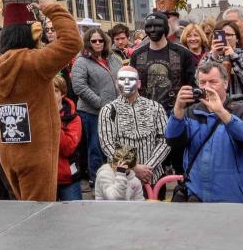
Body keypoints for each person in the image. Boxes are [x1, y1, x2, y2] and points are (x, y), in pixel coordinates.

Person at [0, 0, 83, 201]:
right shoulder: (35, 62)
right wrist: (52, 8)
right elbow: (72, 42)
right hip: (37, 153)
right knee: (38, 219)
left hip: (8, 153)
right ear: (30, 33)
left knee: (23, 212)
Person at [165, 61, 243, 202]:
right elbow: (173, 141)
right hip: (198, 195)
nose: (207, 87)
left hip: (236, 197)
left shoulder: (241, 110)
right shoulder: (191, 112)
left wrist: (221, 112)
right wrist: (178, 110)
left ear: (225, 84)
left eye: (213, 82)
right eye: (202, 82)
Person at [97, 66, 170, 188]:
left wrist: (148, 168)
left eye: (131, 79)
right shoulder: (108, 110)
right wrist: (134, 167)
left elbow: (165, 140)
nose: (126, 82)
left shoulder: (155, 107)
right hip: (122, 181)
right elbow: (108, 145)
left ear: (139, 84)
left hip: (153, 177)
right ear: (116, 84)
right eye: (121, 79)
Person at [70, 27, 121, 188]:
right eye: (94, 41)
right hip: (92, 112)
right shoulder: (81, 61)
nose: (98, 43)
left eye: (100, 40)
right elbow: (79, 87)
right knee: (96, 147)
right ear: (88, 42)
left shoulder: (113, 58)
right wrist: (100, 103)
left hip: (115, 109)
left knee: (117, 144)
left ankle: (117, 177)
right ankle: (97, 180)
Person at [129, 11, 196, 113]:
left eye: (157, 26)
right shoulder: (137, 55)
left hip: (176, 113)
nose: (152, 30)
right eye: (149, 26)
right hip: (145, 114)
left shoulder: (183, 53)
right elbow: (132, 86)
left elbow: (191, 85)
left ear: (165, 27)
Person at [53, 75, 82, 201]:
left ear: (63, 94)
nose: (50, 95)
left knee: (74, 218)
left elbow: (68, 148)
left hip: (67, 178)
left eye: (55, 91)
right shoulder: (36, 116)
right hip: (44, 178)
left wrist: (53, 122)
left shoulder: (74, 118)